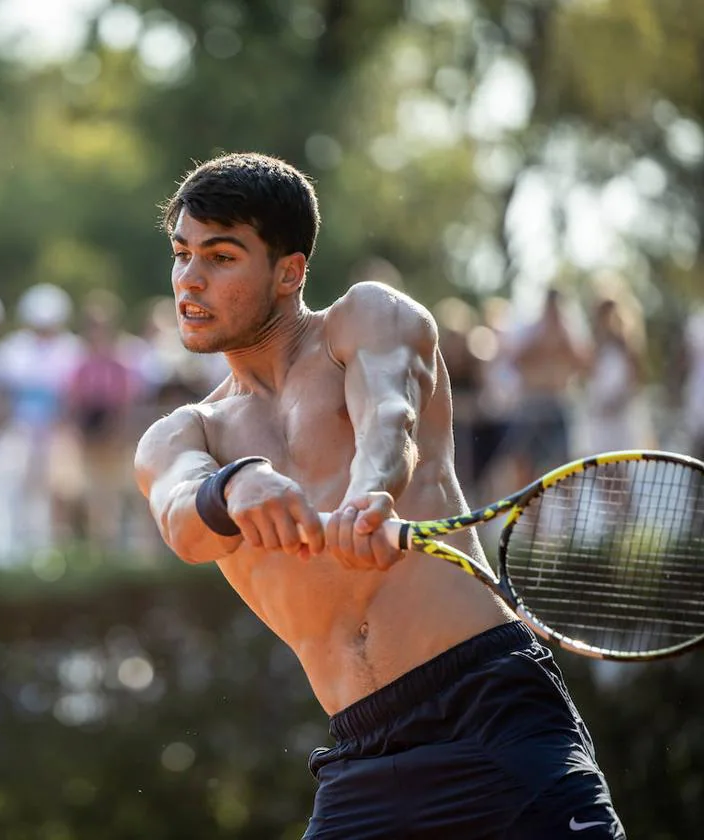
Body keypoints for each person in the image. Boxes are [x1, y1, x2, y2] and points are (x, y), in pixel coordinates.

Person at [133, 152, 625, 839]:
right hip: (364, 758)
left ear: (289, 272)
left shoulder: (366, 318)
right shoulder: (184, 434)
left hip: (496, 716)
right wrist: (232, 486)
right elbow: (180, 520)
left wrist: (373, 493)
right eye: (182, 253)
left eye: (220, 257)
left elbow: (390, 417)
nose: (191, 277)